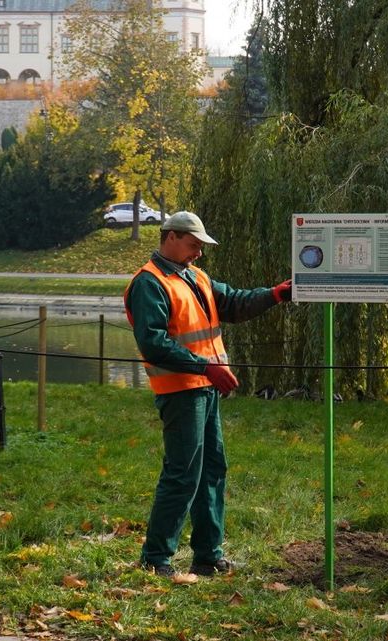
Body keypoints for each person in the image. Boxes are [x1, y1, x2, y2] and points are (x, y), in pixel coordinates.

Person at [124, 211, 291, 578]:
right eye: (193, 245)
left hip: (205, 387)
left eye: (200, 247)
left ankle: (207, 555)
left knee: (212, 469)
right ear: (170, 237)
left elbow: (232, 303)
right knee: (183, 473)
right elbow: (153, 343)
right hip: (181, 389)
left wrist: (276, 294)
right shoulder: (149, 283)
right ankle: (155, 558)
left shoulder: (195, 276)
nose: (199, 253)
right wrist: (205, 367)